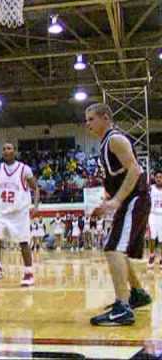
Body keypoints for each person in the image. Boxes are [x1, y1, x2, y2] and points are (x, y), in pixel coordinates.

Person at [85, 103, 151, 326]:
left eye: (91, 119)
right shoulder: (105, 143)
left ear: (105, 117)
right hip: (130, 199)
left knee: (113, 248)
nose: (88, 124)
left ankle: (123, 307)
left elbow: (135, 169)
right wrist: (107, 202)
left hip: (135, 198)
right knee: (118, 249)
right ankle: (138, 294)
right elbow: (118, 178)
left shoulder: (115, 139)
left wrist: (117, 201)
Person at [0, 143, 39, 285]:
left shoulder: (24, 169)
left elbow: (36, 188)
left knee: (23, 242)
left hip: (19, 212)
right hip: (2, 211)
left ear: (14, 151)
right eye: (3, 149)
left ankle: (29, 273)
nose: (6, 151)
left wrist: (36, 206)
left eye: (9, 148)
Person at [148, 169, 162, 269]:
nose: (159, 179)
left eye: (161, 177)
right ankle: (152, 255)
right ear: (154, 178)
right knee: (152, 237)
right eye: (157, 177)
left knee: (161, 239)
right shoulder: (150, 189)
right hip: (152, 215)